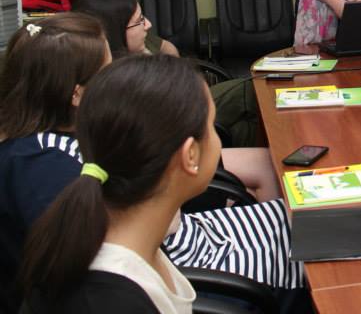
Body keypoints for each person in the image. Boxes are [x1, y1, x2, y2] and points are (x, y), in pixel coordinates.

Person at [0, 16, 302, 313]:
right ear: (77, 94)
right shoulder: (39, 167)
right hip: (191, 265)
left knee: (307, 221)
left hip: (177, 249)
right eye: (107, 70)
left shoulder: (80, 135)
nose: (117, 77)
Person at [18, 54, 218, 312]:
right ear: (190, 155)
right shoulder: (110, 300)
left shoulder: (122, 238)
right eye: (212, 126)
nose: (216, 139)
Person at [72, 0, 281, 201]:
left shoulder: (119, 74)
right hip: (166, 174)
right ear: (116, 30)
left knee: (254, 143)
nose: (148, 25)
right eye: (140, 20)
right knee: (266, 164)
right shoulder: (128, 86)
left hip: (168, 166)